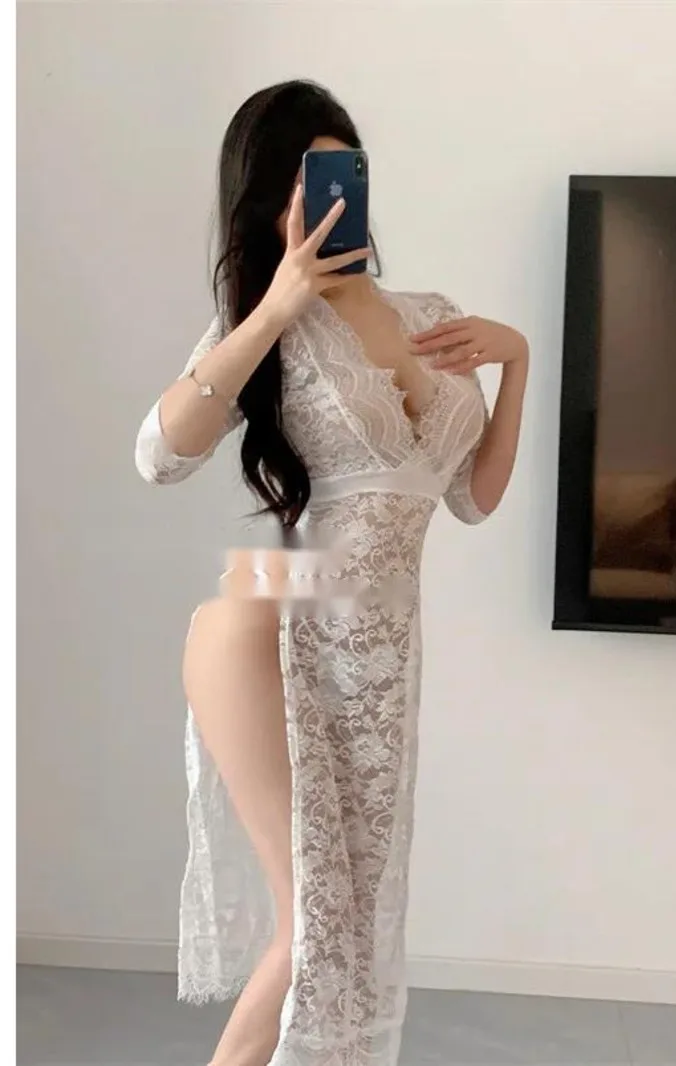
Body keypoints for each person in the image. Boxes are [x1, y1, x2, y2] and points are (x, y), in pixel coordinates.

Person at [134, 80, 528, 1066]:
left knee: (348, 927)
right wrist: (276, 304)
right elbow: (158, 454)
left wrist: (518, 360)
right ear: (268, 198)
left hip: (384, 656)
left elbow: (471, 499)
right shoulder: (269, 322)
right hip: (275, 624)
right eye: (303, 180)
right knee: (316, 916)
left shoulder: (432, 317)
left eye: (341, 171)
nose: (328, 198)